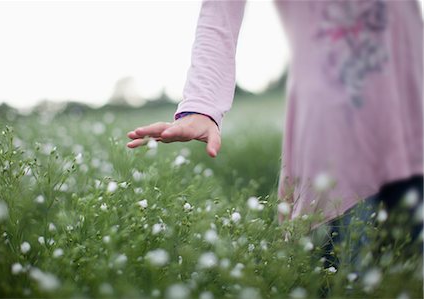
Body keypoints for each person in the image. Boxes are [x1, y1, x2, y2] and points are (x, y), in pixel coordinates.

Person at [127, 0, 423, 270]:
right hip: (336, 130)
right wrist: (201, 105)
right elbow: (220, 9)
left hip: (414, 108)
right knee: (342, 276)